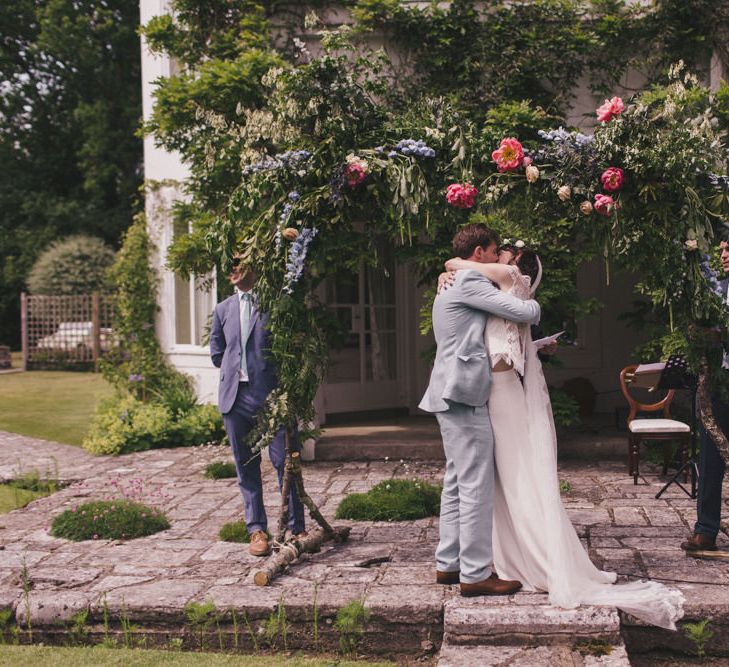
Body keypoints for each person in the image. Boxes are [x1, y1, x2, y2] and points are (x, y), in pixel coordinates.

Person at [441, 246, 685, 629]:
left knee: (510, 478)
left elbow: (495, 332)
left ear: (516, 269)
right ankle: (500, 553)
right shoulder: (505, 292)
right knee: (508, 478)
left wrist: (452, 264)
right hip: (499, 392)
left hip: (499, 396)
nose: (494, 262)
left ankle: (524, 555)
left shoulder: (509, 283)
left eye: (501, 256)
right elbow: (507, 347)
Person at [419, 223, 542, 597]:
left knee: (457, 482)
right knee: (475, 484)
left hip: (448, 391)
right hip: (463, 393)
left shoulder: (456, 279)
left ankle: (449, 564)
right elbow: (527, 311)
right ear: (479, 254)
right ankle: (474, 574)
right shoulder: (469, 283)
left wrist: (453, 264)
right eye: (492, 252)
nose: (495, 257)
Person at [210, 257, 305, 557]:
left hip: (271, 398)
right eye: (228, 266)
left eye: (238, 263)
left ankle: (297, 527)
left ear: (253, 266)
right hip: (235, 399)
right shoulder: (223, 309)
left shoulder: (274, 302)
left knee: (284, 462)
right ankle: (256, 531)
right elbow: (217, 352)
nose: (232, 270)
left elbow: (292, 348)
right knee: (246, 467)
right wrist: (233, 372)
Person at [681, 238, 729, 552]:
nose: (723, 255)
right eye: (723, 250)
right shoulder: (716, 291)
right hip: (720, 377)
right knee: (711, 452)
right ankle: (706, 529)